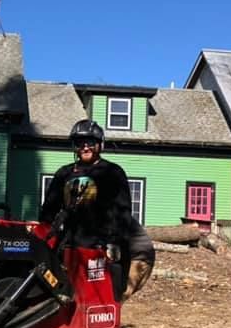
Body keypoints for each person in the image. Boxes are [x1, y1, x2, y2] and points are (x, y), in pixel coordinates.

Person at [39, 119, 155, 300]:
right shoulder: (64, 174)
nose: (85, 147)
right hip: (78, 244)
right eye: (79, 143)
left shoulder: (112, 173)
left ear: (100, 145)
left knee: (109, 297)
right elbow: (48, 211)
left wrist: (114, 244)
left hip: (120, 246)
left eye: (90, 142)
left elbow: (122, 213)